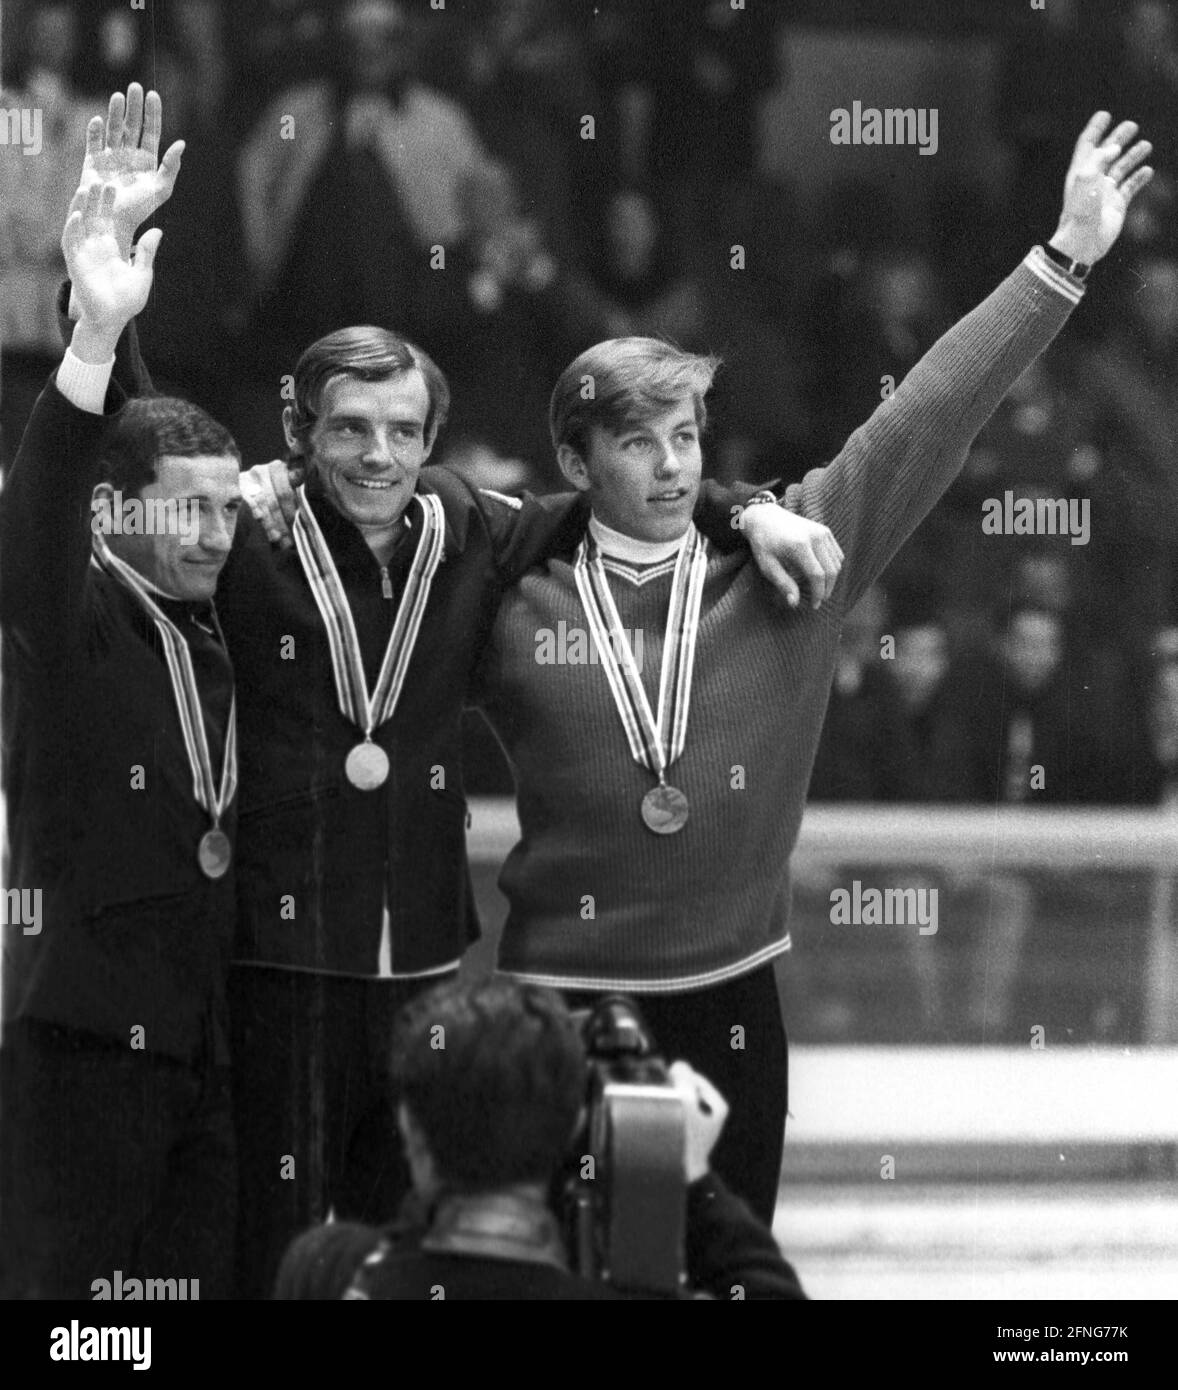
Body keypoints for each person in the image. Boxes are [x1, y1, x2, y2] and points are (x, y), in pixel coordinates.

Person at [86, 84, 842, 1298]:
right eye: (348, 431)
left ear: (430, 438)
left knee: (414, 1251)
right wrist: (104, 298)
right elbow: (137, 445)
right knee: (273, 1259)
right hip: (278, 962)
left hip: (427, 968)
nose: (378, 455)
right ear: (298, 435)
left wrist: (743, 505)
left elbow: (626, 492)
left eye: (401, 430)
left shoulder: (474, 526)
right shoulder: (244, 531)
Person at [467, 112, 1155, 1223]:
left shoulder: (795, 561)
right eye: (637, 440)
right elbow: (402, 508)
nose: (670, 463)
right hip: (558, 1008)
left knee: (734, 1281)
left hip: (732, 1007)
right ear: (573, 458)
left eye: (686, 434)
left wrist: (1063, 255)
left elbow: (927, 415)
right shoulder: (510, 592)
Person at [0, 173, 243, 1299]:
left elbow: (146, 448)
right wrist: (93, 335)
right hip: (83, 1041)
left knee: (183, 1299)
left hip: (204, 1037)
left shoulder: (209, 616)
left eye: (228, 508)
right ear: (112, 520)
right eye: (187, 511)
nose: (211, 535)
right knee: (71, 1315)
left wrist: (123, 320)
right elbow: (56, 489)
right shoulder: (69, 617)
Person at [274, 976, 805, 1300]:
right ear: (573, 1128)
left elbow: (418, 1242)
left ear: (410, 1128)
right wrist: (689, 1177)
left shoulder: (328, 1270)